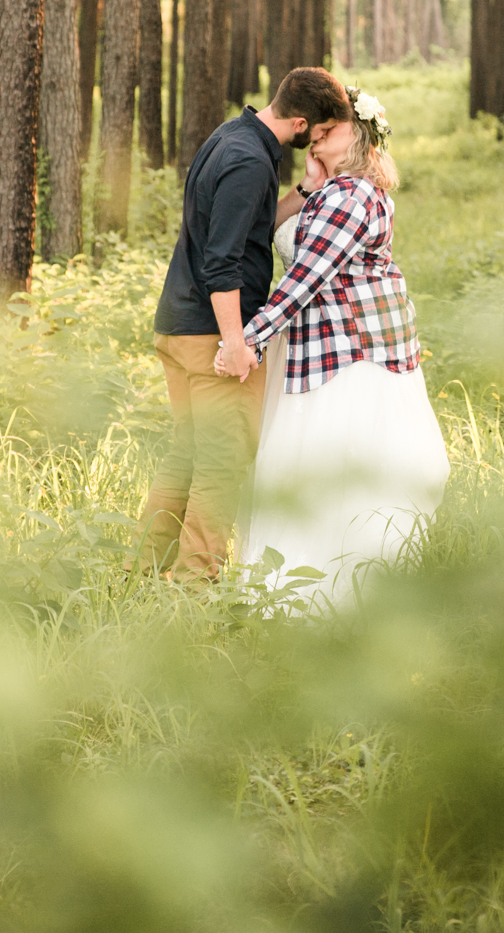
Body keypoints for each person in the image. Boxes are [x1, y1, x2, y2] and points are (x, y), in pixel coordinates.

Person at [228, 86, 450, 605]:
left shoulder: (352, 195)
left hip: (349, 353)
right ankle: (295, 591)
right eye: (318, 125)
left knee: (333, 468)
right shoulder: (329, 192)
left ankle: (336, 596)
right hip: (316, 348)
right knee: (302, 468)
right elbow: (275, 239)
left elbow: (306, 276)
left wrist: (246, 340)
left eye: (335, 124)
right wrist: (306, 187)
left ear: (360, 138)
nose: (319, 130)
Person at [142, 67, 353, 580]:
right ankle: (194, 588)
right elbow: (222, 262)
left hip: (178, 325)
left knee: (188, 455)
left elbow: (248, 227)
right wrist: (236, 343)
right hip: (210, 333)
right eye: (320, 133)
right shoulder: (250, 162)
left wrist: (304, 191)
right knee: (220, 465)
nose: (320, 143)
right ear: (302, 124)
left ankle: (143, 571)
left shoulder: (233, 137)